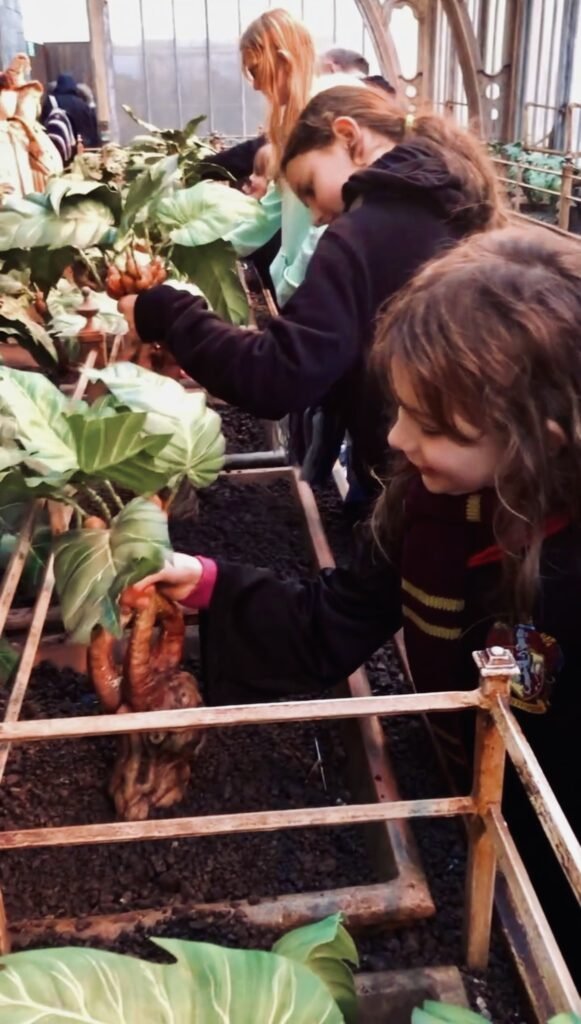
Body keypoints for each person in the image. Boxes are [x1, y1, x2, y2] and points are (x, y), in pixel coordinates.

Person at [124, 226, 581, 982]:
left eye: (431, 426)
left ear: (543, 441)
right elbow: (332, 620)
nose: (397, 437)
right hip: (467, 779)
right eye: (400, 409)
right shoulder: (428, 508)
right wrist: (205, 581)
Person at [119, 85, 505, 495]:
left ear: (348, 136)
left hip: (414, 475)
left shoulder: (364, 233)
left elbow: (277, 375)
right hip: (468, 473)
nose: (317, 216)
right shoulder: (446, 197)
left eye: (309, 189)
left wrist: (166, 311)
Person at [227, 8, 366, 307]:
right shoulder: (293, 117)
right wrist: (216, 247)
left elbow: (337, 212)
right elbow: (273, 206)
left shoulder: (331, 107)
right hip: (303, 286)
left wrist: (296, 280)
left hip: (323, 287)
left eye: (256, 70)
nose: (255, 84)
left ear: (283, 60)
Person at [41, 73, 100, 148]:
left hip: (59, 147)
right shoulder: (82, 104)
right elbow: (92, 127)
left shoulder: (51, 101)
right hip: (82, 146)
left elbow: (43, 124)